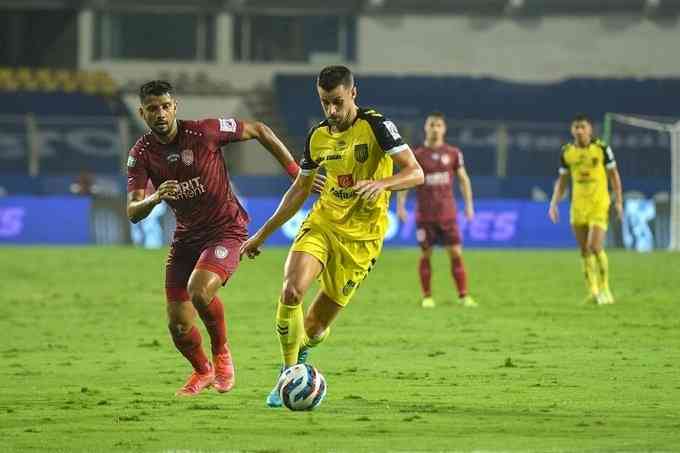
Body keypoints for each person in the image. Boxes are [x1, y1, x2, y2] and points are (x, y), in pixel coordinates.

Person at [240, 65, 424, 407]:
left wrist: (383, 183)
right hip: (323, 224)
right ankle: (287, 371)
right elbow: (299, 190)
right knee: (292, 290)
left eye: (338, 102)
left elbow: (416, 172)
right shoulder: (317, 137)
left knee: (315, 327)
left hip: (362, 240)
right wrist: (260, 236)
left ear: (353, 93)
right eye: (325, 103)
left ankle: (304, 352)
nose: (332, 111)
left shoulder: (377, 126)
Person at [126, 80, 313, 397]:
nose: (160, 114)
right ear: (142, 113)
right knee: (178, 325)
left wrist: (297, 172)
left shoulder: (205, 132)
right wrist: (155, 198)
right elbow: (133, 211)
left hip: (226, 230)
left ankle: (222, 354)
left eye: (165, 106)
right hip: (186, 238)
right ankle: (202, 371)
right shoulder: (141, 154)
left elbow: (260, 130)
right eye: (153, 109)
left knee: (198, 291)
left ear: (175, 107)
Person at [397, 112, 477, 308]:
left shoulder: (453, 153)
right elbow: (405, 180)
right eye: (431, 124)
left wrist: (468, 205)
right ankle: (427, 296)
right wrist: (400, 206)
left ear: (444, 128)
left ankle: (463, 295)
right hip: (425, 215)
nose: (435, 128)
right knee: (425, 254)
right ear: (426, 127)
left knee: (456, 253)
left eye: (438, 125)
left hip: (448, 214)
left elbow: (463, 179)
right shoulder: (416, 155)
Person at [548, 114, 623, 305]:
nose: (579, 131)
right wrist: (554, 203)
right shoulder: (567, 152)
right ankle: (593, 292)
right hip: (578, 206)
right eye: (576, 127)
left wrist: (619, 201)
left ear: (590, 129)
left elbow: (614, 175)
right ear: (572, 130)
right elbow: (562, 181)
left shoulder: (602, 148)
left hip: (599, 203)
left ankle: (606, 288)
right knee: (584, 250)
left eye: (582, 127)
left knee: (595, 246)